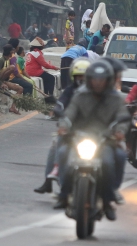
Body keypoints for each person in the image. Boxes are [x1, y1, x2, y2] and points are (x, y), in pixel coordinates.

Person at [55, 60, 129, 220]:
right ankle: (63, 195)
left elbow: (122, 118)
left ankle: (109, 198)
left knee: (113, 161)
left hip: (105, 140)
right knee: (63, 154)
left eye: (101, 79)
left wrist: (120, 132)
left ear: (108, 80)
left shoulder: (116, 99)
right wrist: (63, 126)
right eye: (95, 79)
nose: (98, 83)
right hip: (79, 138)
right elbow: (69, 114)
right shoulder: (80, 95)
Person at [34, 59, 91, 195]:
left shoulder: (96, 92)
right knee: (56, 147)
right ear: (74, 76)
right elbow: (61, 103)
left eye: (84, 76)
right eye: (78, 76)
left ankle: (109, 188)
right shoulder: (69, 90)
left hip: (93, 130)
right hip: (72, 129)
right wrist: (57, 110)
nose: (81, 79)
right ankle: (49, 179)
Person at [0, 44, 23, 114]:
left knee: (20, 89)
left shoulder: (7, 60)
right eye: (12, 52)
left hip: (3, 80)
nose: (13, 53)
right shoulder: (1, 60)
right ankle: (1, 83)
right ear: (10, 52)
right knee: (12, 67)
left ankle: (13, 107)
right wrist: (1, 84)